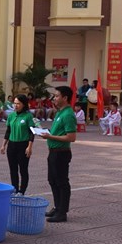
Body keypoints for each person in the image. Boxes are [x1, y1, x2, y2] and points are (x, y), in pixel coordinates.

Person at [45, 86, 77, 223]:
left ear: (65, 98)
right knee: (52, 180)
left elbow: (71, 137)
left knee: (62, 182)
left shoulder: (68, 114)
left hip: (61, 153)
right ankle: (57, 207)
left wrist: (50, 137)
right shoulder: (59, 112)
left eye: (57, 96)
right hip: (53, 152)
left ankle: (62, 212)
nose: (54, 98)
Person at [1, 94, 37, 195]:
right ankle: (14, 189)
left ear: (24, 104)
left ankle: (22, 191)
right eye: (14, 103)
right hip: (12, 145)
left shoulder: (28, 116)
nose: (15, 105)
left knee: (23, 169)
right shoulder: (11, 116)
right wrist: (3, 145)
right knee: (13, 169)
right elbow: (8, 131)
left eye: (18, 103)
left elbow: (32, 133)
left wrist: (29, 147)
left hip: (23, 145)